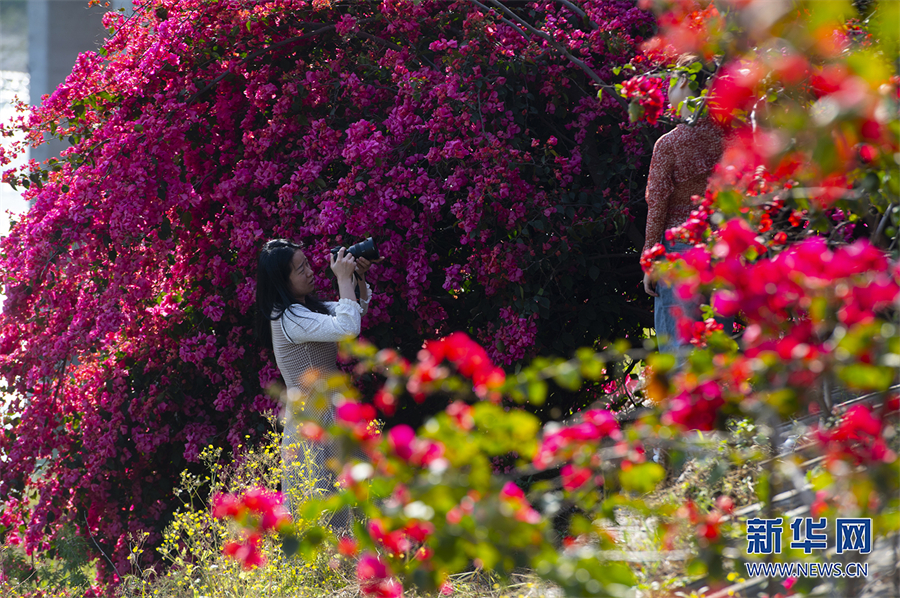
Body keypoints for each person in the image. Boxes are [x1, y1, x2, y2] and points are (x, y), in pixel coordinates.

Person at [255, 239, 375, 524]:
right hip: (315, 422)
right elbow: (348, 328)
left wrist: (356, 278)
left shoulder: (305, 308)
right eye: (300, 269)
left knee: (358, 499)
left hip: (332, 413)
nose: (310, 271)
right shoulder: (289, 318)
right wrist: (343, 278)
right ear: (282, 282)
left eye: (307, 263)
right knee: (327, 505)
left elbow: (354, 311)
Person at [642, 55, 726, 356]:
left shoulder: (668, 144)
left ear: (687, 87)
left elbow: (658, 205)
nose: (668, 89)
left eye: (674, 82)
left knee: (680, 347)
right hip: (722, 246)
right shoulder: (728, 137)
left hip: (679, 251)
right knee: (717, 342)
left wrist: (649, 257)